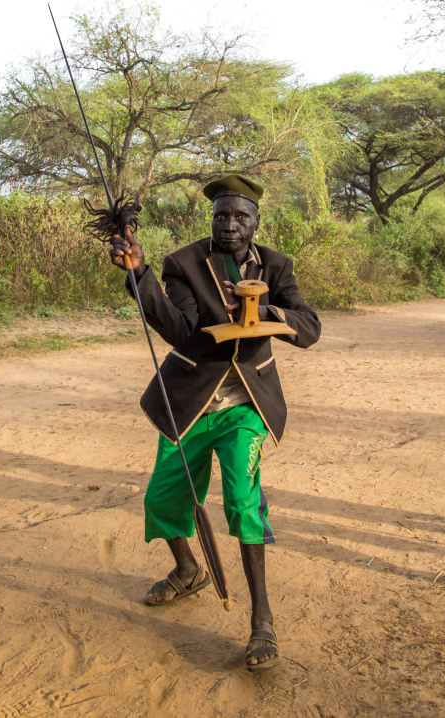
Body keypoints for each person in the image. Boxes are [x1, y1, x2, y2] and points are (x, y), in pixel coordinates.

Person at [109, 175, 321, 672]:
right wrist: (140, 277)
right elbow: (181, 330)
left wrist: (263, 307)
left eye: (239, 217)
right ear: (211, 219)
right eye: (221, 215)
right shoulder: (183, 263)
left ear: (255, 223)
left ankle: (261, 621)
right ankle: (187, 569)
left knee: (245, 503)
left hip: (246, 403)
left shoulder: (276, 265)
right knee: (162, 499)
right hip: (192, 403)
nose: (229, 225)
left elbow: (308, 327)